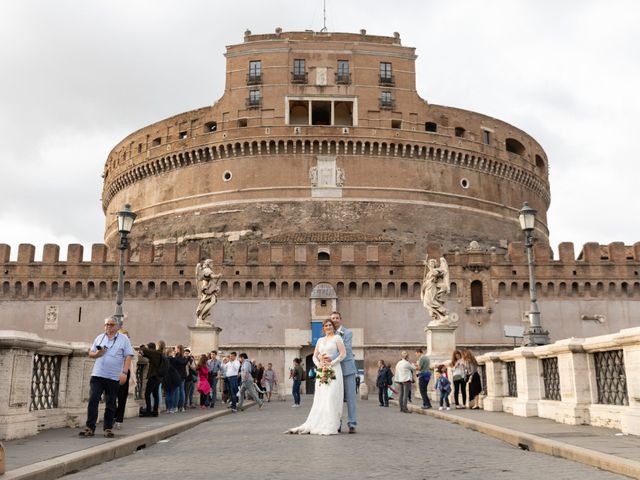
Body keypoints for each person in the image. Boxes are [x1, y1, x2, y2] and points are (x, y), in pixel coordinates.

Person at [287, 318, 346, 435]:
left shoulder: (337, 338)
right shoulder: (319, 340)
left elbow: (343, 354)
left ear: (333, 327)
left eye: (330, 325)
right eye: (326, 326)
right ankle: (319, 421)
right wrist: (319, 365)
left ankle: (331, 423)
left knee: (331, 396)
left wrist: (332, 362)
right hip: (321, 370)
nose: (328, 327)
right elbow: (315, 356)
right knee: (321, 397)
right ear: (323, 328)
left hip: (333, 369)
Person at [78, 316, 135, 438]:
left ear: (117, 326)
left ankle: (108, 428)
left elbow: (128, 356)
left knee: (110, 403)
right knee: (93, 400)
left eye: (111, 324)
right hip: (98, 374)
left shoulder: (123, 339)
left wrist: (124, 373)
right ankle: (90, 427)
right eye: (106, 324)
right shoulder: (99, 337)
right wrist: (97, 353)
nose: (108, 326)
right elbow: (91, 354)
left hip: (113, 376)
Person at [330, 311, 358, 433]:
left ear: (340, 319)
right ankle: (338, 423)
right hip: (335, 370)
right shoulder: (330, 334)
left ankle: (352, 423)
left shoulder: (347, 333)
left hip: (347, 369)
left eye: (337, 318)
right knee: (337, 398)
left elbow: (345, 349)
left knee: (351, 398)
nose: (335, 320)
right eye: (333, 318)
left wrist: (329, 358)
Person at [113, 328, 132, 429]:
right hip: (112, 372)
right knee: (111, 396)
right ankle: (113, 415)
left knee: (121, 397)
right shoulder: (113, 344)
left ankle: (119, 420)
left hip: (124, 373)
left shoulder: (128, 348)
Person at [138, 342, 162, 417]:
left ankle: (148, 411)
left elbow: (144, 350)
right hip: (158, 377)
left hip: (153, 376)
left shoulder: (155, 353)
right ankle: (155, 411)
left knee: (147, 394)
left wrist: (143, 347)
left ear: (150, 348)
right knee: (155, 395)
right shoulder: (158, 354)